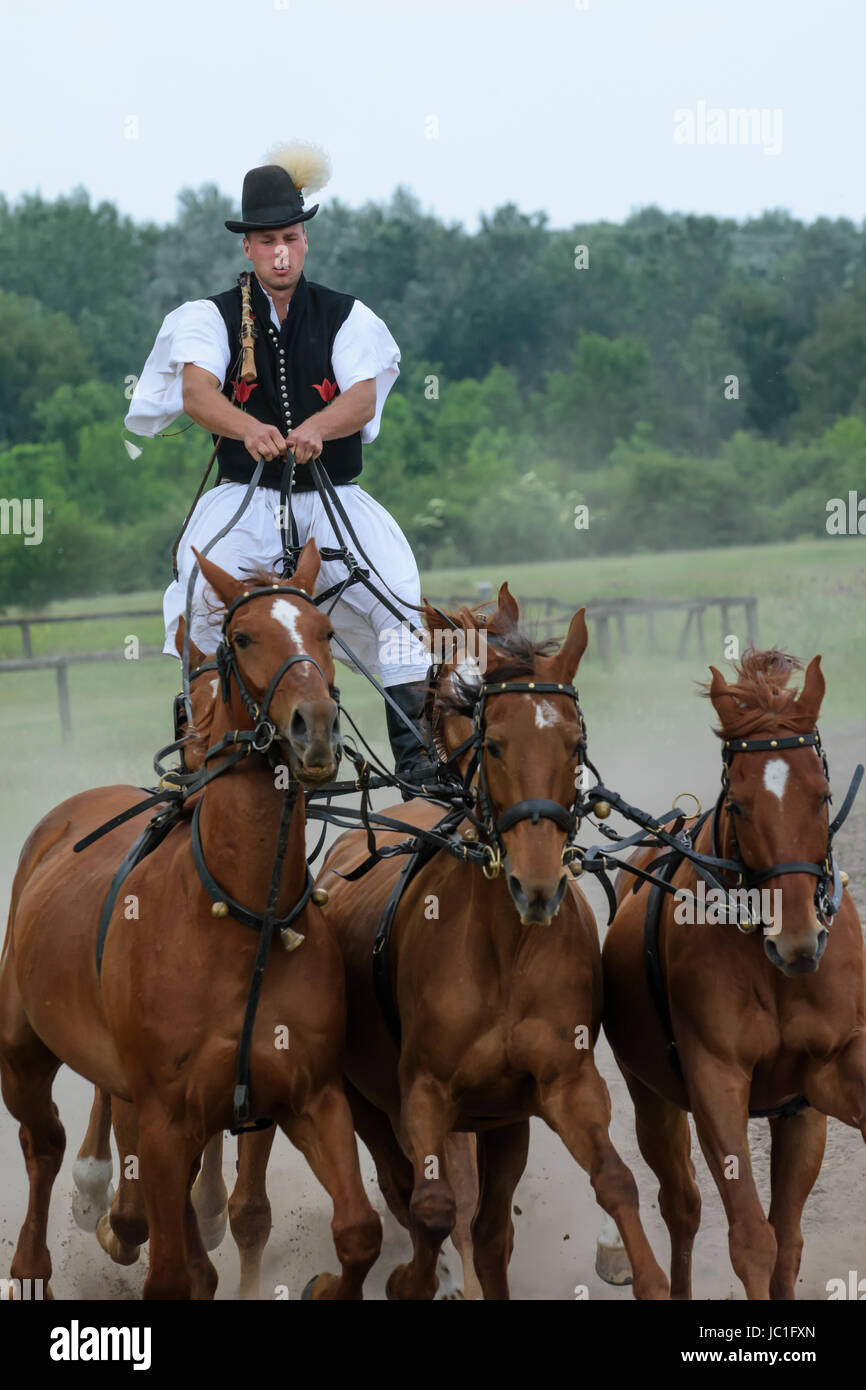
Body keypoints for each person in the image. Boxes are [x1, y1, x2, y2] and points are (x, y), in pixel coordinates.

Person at [124, 142, 438, 790]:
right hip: (245, 495)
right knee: (196, 588)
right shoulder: (207, 318)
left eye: (290, 238)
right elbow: (198, 393)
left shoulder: (348, 315)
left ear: (304, 239)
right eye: (267, 241)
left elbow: (363, 396)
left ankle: (419, 769)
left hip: (333, 498)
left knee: (400, 596)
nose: (280, 252)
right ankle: (201, 749)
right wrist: (252, 429)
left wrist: (316, 429)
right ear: (248, 247)